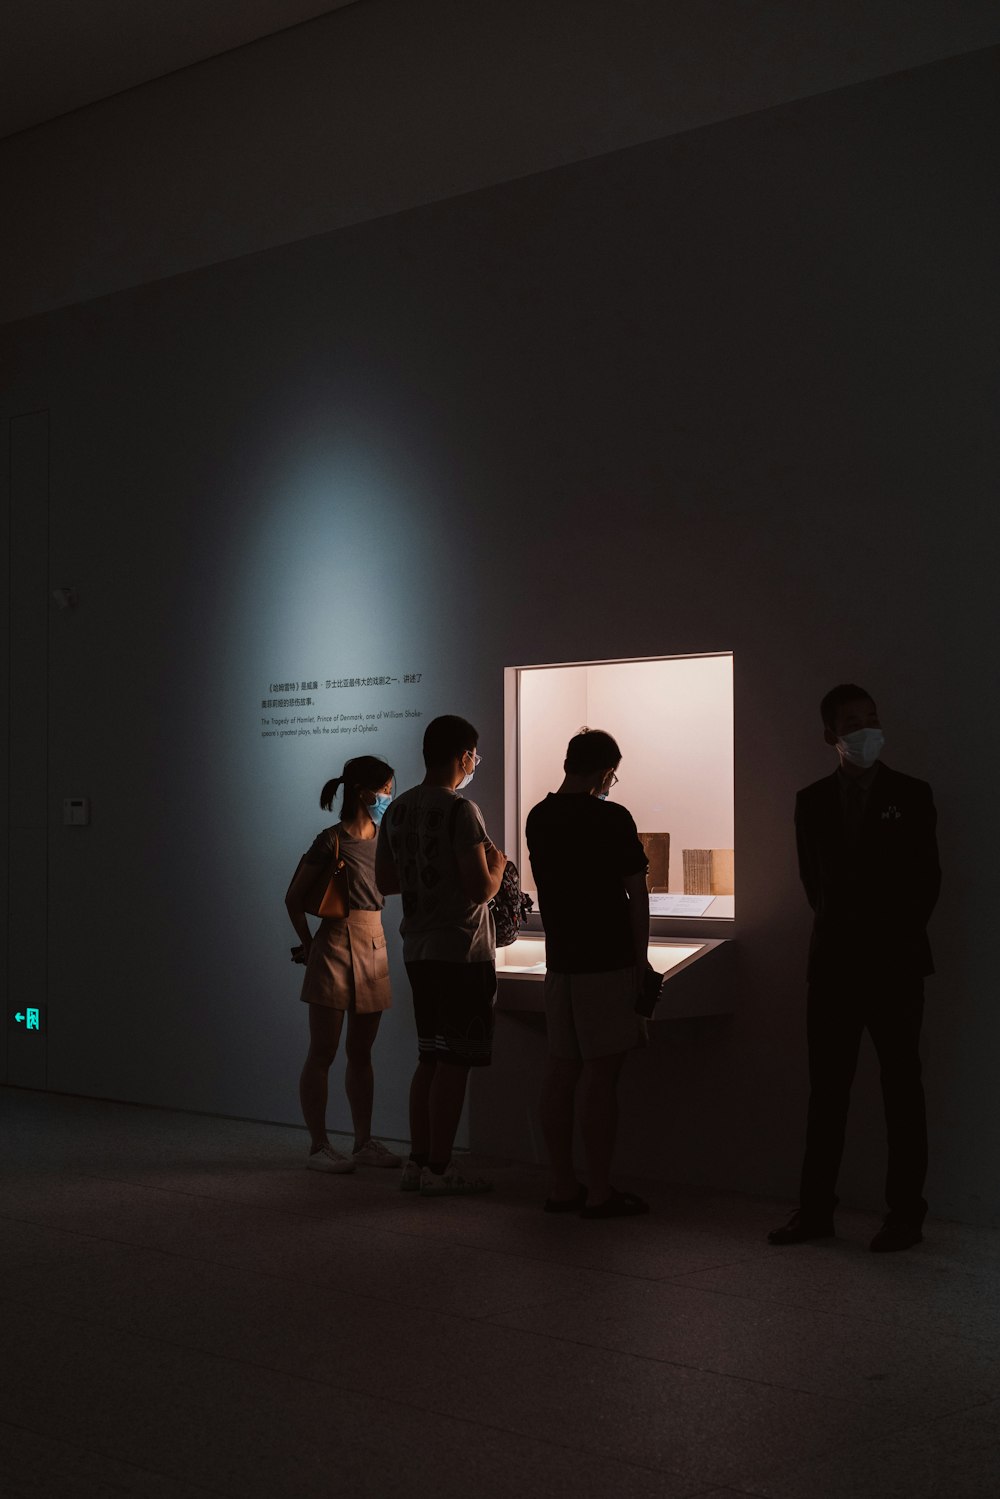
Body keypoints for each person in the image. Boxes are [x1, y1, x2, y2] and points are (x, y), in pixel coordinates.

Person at [769, 685, 941, 1252]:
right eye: (853, 722)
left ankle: (905, 1215)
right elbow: (812, 883)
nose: (866, 729)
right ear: (831, 736)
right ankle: (816, 1210)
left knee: (902, 1091)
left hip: (895, 967)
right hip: (836, 966)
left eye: (871, 718)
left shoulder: (912, 795)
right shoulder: (811, 800)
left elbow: (925, 883)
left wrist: (884, 936)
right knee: (828, 1093)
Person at [525, 727, 658, 1219]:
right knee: (602, 1076)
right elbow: (636, 895)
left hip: (561, 960)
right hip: (607, 961)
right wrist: (640, 960)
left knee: (560, 1071)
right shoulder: (613, 817)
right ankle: (600, 1190)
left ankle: (562, 1185)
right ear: (606, 771)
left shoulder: (538, 817)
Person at [375, 715, 506, 1197]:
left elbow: (387, 882)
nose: (475, 764)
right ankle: (441, 1167)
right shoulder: (461, 810)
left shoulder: (398, 810)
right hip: (461, 951)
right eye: (475, 756)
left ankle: (417, 1162)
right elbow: (479, 888)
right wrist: (499, 866)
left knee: (428, 1056)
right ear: (463, 756)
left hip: (418, 949)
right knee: (455, 1062)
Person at [286, 755, 403, 1174]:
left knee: (361, 1051)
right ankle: (319, 1145)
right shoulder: (330, 839)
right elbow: (293, 898)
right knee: (324, 1051)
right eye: (385, 789)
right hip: (335, 941)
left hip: (373, 940)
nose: (389, 796)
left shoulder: (387, 837)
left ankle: (362, 1141)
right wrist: (308, 945)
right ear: (363, 792)